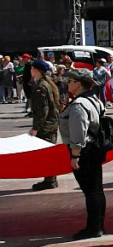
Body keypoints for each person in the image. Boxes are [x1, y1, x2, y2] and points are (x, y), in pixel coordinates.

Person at [60, 69, 107, 239]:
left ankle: (94, 228)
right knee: (97, 190)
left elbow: (78, 133)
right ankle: (98, 226)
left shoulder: (79, 105)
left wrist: (75, 156)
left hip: (84, 151)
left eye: (71, 80)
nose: (68, 83)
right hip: (95, 148)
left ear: (79, 84)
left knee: (91, 191)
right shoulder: (95, 101)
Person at [28, 59, 61, 191]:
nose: (31, 71)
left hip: (45, 126)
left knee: (47, 154)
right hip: (51, 124)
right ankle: (50, 179)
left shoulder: (41, 86)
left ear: (36, 70)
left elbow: (42, 110)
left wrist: (36, 128)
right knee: (48, 153)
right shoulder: (47, 83)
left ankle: (50, 180)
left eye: (32, 68)